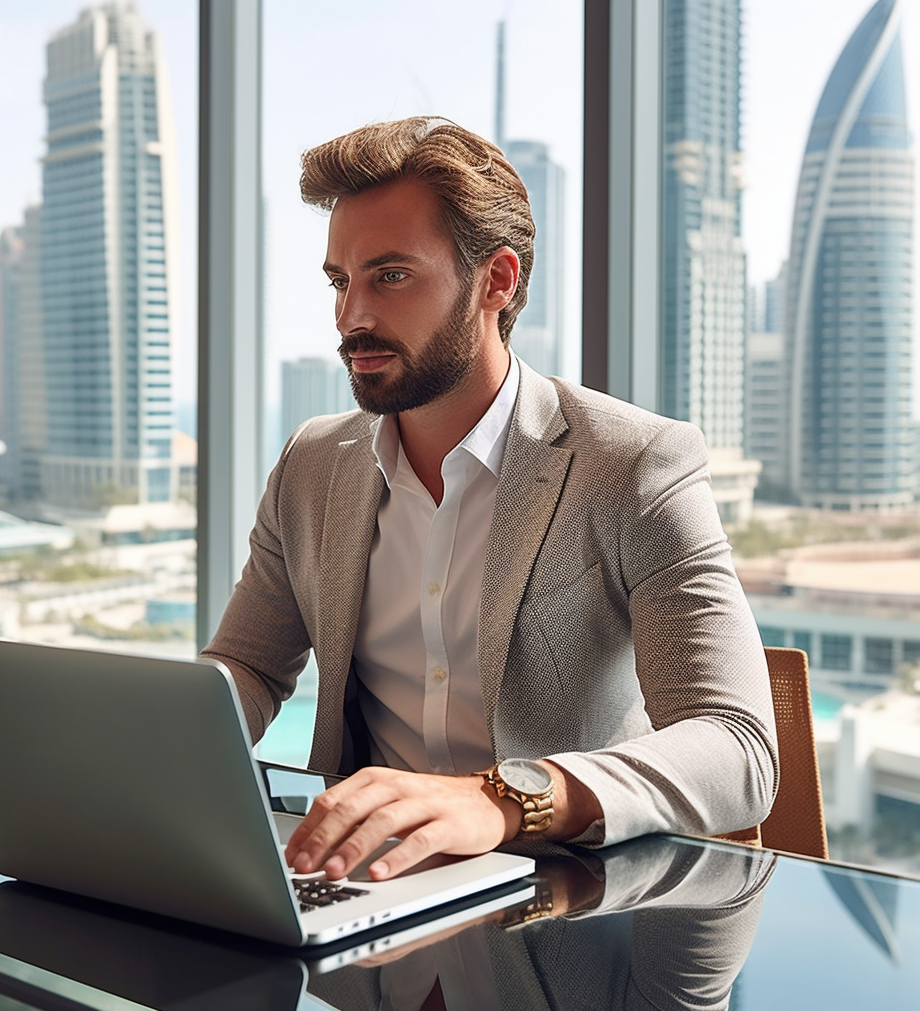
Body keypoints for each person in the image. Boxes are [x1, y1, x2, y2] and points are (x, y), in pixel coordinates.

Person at [202, 116, 777, 885]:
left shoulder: (634, 464)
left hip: (565, 903)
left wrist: (503, 799)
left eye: (391, 276)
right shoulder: (313, 463)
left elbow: (737, 744)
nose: (351, 319)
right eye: (342, 282)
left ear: (496, 281)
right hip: (360, 895)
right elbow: (247, 665)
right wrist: (152, 747)